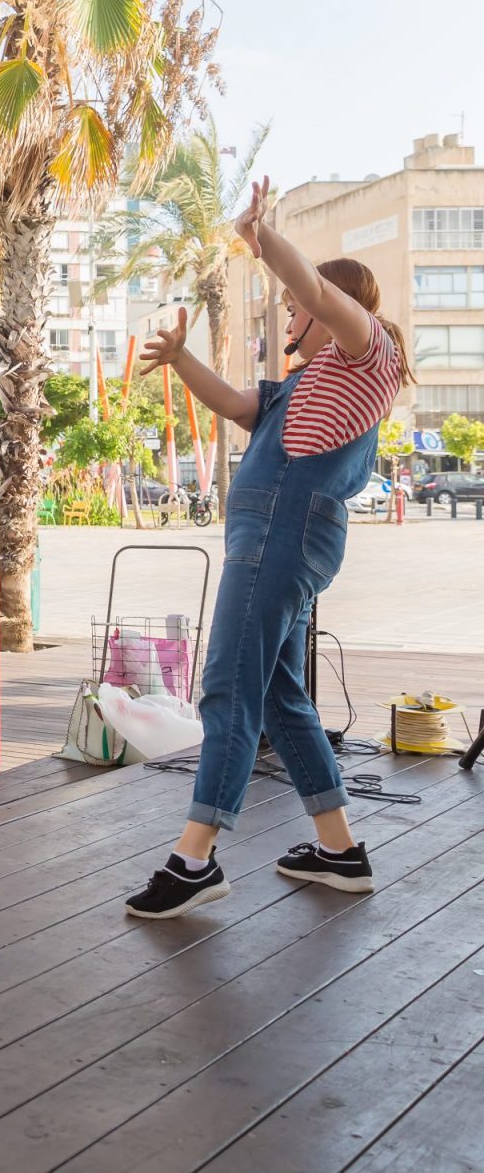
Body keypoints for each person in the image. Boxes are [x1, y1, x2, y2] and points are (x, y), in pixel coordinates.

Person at [124, 180, 409, 920]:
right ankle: (339, 849)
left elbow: (312, 284)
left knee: (226, 687)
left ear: (332, 310)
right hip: (270, 534)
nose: (289, 313)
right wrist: (182, 358)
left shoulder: (363, 351)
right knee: (280, 696)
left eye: (294, 310)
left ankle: (195, 858)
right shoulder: (305, 381)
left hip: (284, 531)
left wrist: (262, 237)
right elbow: (236, 404)